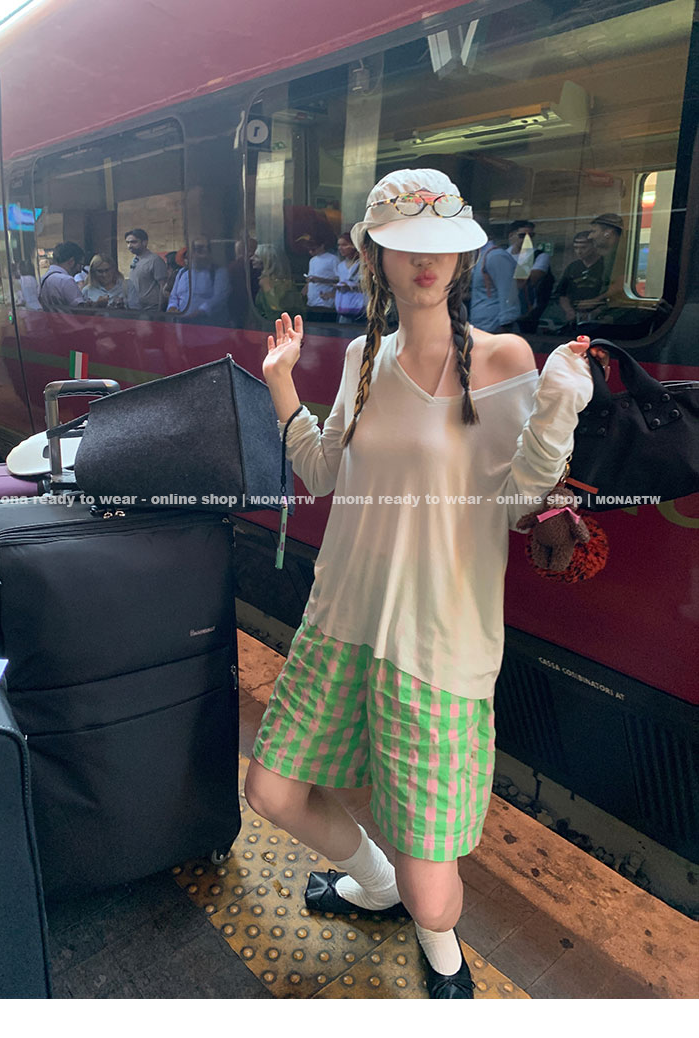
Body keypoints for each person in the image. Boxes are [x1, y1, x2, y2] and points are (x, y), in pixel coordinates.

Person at [244, 168, 601, 999]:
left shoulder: (506, 359)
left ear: (464, 256)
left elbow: (519, 504)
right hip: (341, 618)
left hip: (439, 641)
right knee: (270, 790)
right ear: (376, 256)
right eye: (405, 246)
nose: (425, 262)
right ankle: (373, 886)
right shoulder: (363, 359)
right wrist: (281, 381)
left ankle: (442, 953)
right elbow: (320, 471)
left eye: (440, 246)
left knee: (433, 891)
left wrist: (557, 411)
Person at [468, 224, 520, 333]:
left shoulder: (496, 256)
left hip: (495, 328)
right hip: (480, 326)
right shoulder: (478, 256)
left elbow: (507, 292)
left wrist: (506, 324)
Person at [165, 237, 230, 320]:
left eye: (205, 249)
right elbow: (174, 296)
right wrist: (172, 308)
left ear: (210, 253)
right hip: (182, 322)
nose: (201, 253)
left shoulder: (219, 273)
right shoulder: (182, 272)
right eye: (198, 249)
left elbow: (218, 299)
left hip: (206, 322)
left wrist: (198, 313)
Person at [506, 220, 554, 331]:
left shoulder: (539, 256)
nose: (527, 239)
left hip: (528, 310)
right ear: (511, 236)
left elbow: (529, 280)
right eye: (522, 235)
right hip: (502, 308)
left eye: (531, 235)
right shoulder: (502, 255)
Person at [553, 232, 605, 326]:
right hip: (575, 319)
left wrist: (597, 311)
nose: (579, 251)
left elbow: (614, 295)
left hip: (601, 319)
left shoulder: (606, 266)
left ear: (595, 246)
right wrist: (569, 311)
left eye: (583, 248)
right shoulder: (572, 267)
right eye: (576, 248)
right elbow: (562, 294)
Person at [124, 228, 167, 310]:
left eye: (133, 242)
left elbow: (163, 286)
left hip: (152, 310)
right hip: (136, 308)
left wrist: (161, 310)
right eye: (128, 242)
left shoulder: (155, 260)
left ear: (144, 242)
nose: (129, 246)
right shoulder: (135, 260)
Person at [252, 244, 298, 320]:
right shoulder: (284, 282)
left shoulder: (268, 282)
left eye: (256, 257)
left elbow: (274, 313)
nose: (252, 258)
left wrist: (266, 287)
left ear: (267, 261)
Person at [38, 242, 86, 313]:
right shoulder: (66, 280)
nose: (79, 270)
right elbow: (81, 311)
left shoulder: (44, 278)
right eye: (80, 264)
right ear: (71, 262)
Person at [301, 237, 339, 319]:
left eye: (313, 249)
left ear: (322, 246)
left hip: (325, 303)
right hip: (311, 301)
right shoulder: (312, 260)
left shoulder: (333, 259)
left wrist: (321, 280)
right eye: (309, 250)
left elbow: (339, 280)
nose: (311, 252)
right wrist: (306, 287)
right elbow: (310, 278)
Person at [334, 232, 366, 323]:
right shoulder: (340, 266)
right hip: (344, 307)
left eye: (344, 245)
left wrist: (351, 287)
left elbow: (368, 285)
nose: (340, 248)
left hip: (361, 308)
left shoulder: (364, 264)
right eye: (339, 245)